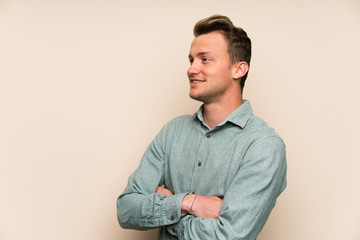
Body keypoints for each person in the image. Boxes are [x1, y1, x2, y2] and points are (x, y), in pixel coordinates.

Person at [117, 14, 287, 240]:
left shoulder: (263, 146)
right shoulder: (172, 131)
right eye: (191, 60)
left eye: (204, 59)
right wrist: (190, 202)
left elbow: (230, 236)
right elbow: (126, 209)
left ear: (238, 69)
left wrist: (169, 208)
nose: (191, 69)